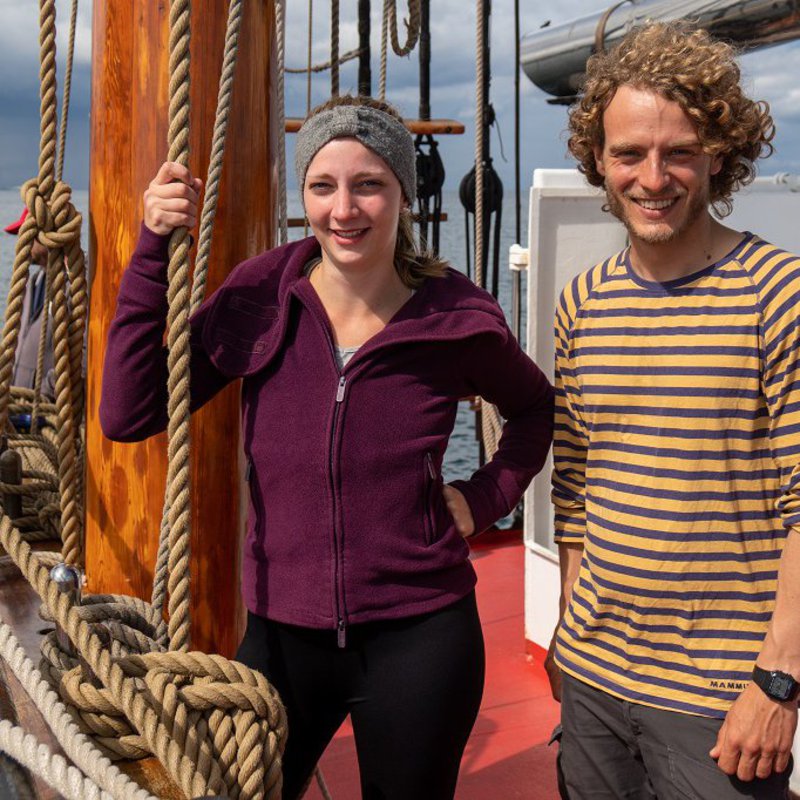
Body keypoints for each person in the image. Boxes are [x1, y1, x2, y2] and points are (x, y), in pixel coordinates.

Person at [100, 94, 554, 799]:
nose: (344, 210)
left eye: (368, 184)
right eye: (323, 186)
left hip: (421, 640)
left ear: (403, 192)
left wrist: (483, 498)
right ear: (304, 194)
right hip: (283, 637)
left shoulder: (455, 316)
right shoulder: (262, 295)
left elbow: (533, 409)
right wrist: (152, 251)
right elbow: (128, 414)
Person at [546, 22, 800, 800]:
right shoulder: (581, 305)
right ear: (598, 160)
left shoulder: (778, 294)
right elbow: (576, 488)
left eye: (679, 151)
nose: (653, 178)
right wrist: (566, 636)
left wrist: (779, 684)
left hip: (720, 698)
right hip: (592, 680)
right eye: (629, 154)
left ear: (718, 156)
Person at [4, 208, 55, 399]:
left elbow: (84, 357)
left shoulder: (73, 286)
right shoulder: (31, 284)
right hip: (21, 409)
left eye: (26, 236)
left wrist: (46, 391)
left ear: (45, 235)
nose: (21, 243)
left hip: (48, 409)